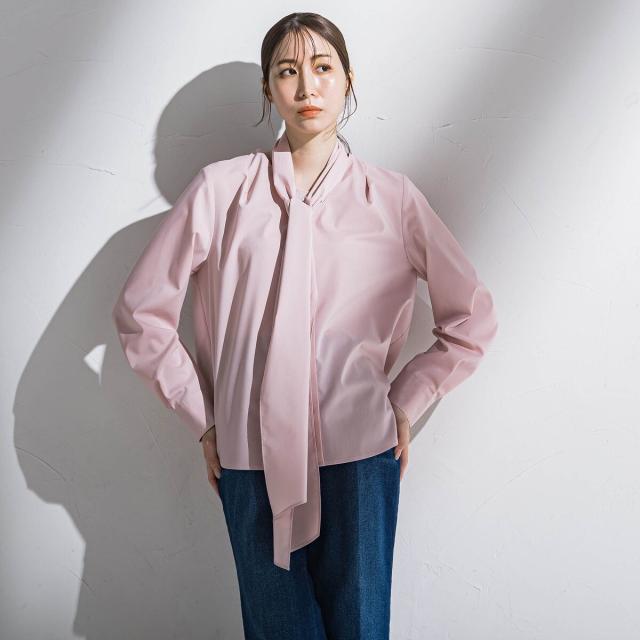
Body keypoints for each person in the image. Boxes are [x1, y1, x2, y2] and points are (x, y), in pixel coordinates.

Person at [111, 11, 498, 640]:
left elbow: (470, 316)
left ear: (348, 79)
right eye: (287, 71)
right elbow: (141, 311)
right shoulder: (220, 191)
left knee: (360, 629)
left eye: (322, 67)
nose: (307, 86)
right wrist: (202, 415)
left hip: (360, 456)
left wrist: (407, 401)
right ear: (268, 88)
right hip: (250, 459)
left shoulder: (392, 198)